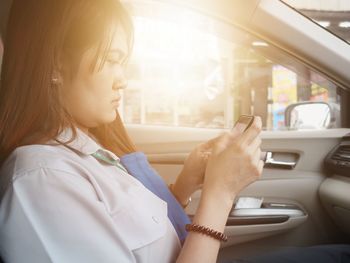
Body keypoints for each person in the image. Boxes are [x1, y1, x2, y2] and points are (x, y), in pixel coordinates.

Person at [0, 0, 263, 262]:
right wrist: (220, 194)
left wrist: (184, 186)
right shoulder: (42, 180)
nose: (122, 81)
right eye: (112, 59)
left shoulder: (86, 146)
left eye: (123, 62)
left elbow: (140, 234)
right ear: (56, 64)